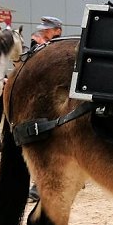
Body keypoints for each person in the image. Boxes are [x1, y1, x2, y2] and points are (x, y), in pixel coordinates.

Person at [28, 17, 63, 202]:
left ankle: (38, 186)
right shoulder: (41, 46)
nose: (43, 32)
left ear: (57, 30)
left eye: (47, 29)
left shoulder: (60, 50)